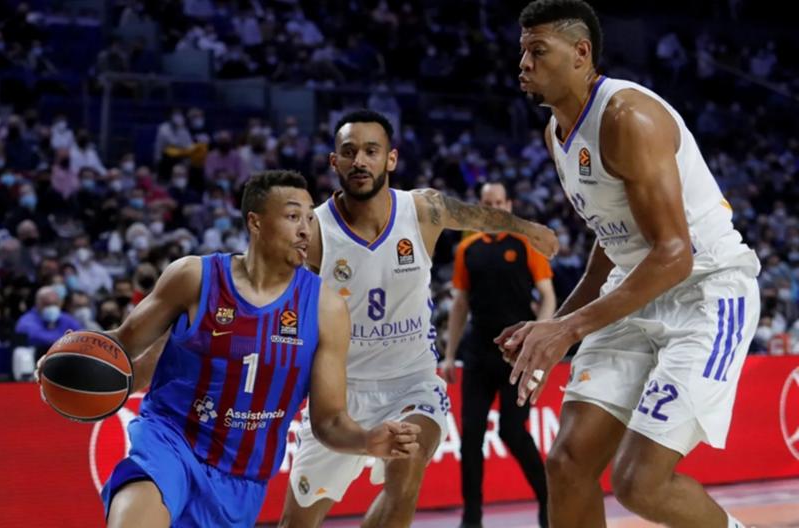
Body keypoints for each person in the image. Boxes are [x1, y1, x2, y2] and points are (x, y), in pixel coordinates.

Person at [497, 2, 760, 528]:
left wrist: (568, 328)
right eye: (523, 51)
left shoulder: (627, 117)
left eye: (538, 51)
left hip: (705, 292)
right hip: (633, 290)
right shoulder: (556, 132)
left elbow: (675, 255)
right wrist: (552, 329)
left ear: (581, 53)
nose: (523, 63)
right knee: (567, 465)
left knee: (640, 484)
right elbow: (610, 239)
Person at [43, 170, 422, 528]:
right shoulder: (193, 277)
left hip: (240, 478)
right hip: (169, 443)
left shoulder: (327, 309)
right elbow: (123, 344)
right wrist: (67, 358)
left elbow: (329, 421)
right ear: (255, 222)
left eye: (310, 218)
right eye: (293, 216)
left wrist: (366, 440)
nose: (306, 229)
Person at [280, 110, 558, 528]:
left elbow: (476, 215)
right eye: (349, 152)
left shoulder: (422, 210)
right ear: (334, 162)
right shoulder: (314, 231)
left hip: (412, 383)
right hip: (341, 391)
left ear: (390, 159)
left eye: (371, 151)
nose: (360, 161)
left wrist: (528, 229)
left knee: (406, 466)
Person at [441, 181, 554, 528]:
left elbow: (548, 296)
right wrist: (450, 355)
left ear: (509, 205)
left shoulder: (526, 243)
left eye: (499, 202)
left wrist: (538, 338)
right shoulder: (468, 249)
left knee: (512, 431)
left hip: (517, 354)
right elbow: (460, 304)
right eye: (487, 203)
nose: (494, 208)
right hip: (478, 352)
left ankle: (549, 500)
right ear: (480, 206)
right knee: (470, 438)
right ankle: (471, 518)